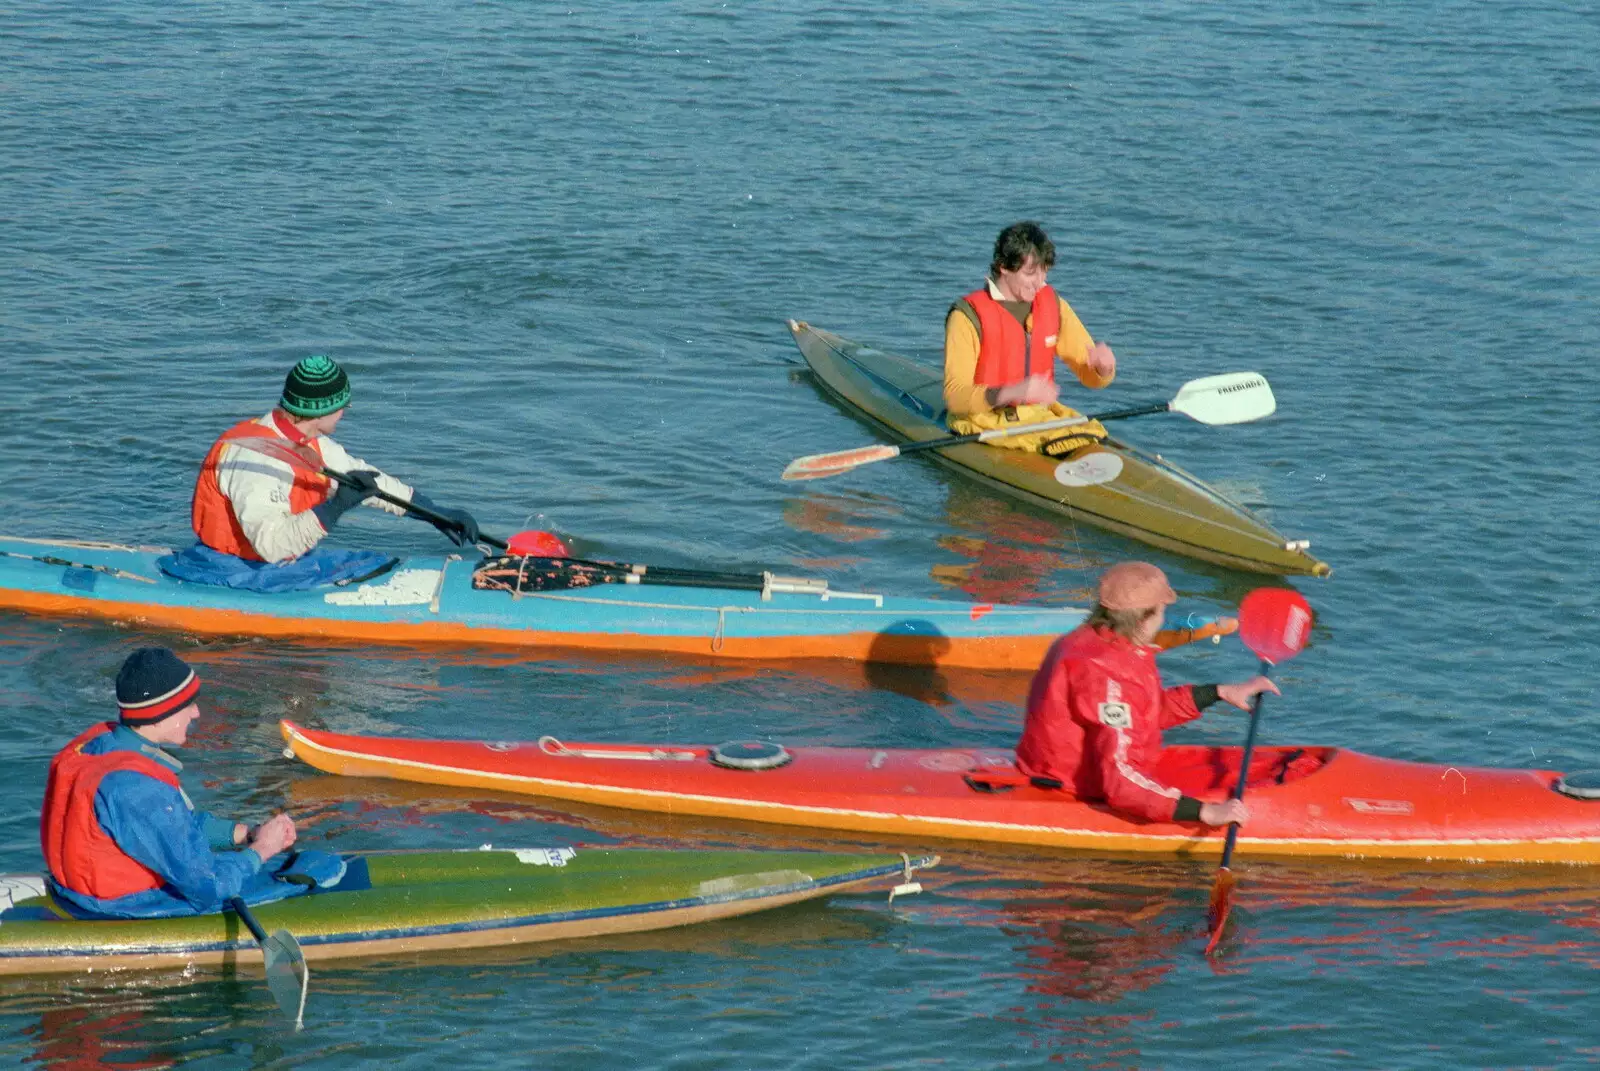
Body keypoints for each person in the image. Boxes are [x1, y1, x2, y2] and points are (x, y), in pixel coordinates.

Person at [39, 648, 328, 919]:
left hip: (74, 894)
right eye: (186, 705)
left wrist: (247, 835)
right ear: (158, 713)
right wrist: (263, 850)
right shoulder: (136, 787)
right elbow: (209, 888)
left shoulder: (99, 746)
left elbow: (175, 828)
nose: (197, 713)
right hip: (120, 908)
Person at [160, 354, 481, 591]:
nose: (346, 412)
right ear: (322, 410)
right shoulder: (256, 457)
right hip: (232, 571)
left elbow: (368, 480)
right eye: (344, 406)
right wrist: (337, 505)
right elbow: (270, 546)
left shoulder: (307, 442)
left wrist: (435, 513)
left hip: (277, 567)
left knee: (375, 560)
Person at [1014, 562, 1277, 827]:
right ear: (1143, 619)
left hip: (1062, 762)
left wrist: (1220, 692)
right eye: (1162, 611)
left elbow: (1141, 712)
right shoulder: (1108, 674)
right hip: (1077, 783)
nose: (1164, 619)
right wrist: (1205, 812)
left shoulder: (1102, 641)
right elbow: (1119, 780)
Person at [944, 221, 1118, 454]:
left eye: (1044, 271)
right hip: (984, 422)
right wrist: (1011, 392)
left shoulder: (1053, 305)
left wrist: (1103, 368)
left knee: (1091, 433)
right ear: (1004, 266)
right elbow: (955, 396)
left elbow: (1090, 376)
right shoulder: (966, 317)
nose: (1039, 282)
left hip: (1037, 418)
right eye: (1030, 273)